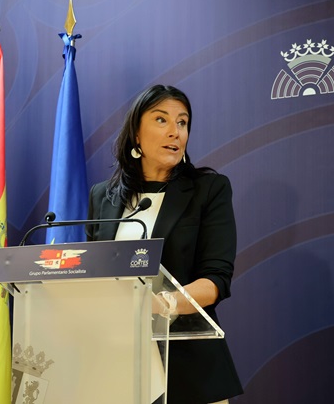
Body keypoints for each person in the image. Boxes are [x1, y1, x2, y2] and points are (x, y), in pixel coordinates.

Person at [86, 84, 243, 404]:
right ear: (136, 134)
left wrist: (162, 305)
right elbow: (93, 277)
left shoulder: (208, 190)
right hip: (114, 365)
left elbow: (215, 280)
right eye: (161, 120)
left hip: (189, 370)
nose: (175, 131)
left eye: (182, 122)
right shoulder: (103, 196)